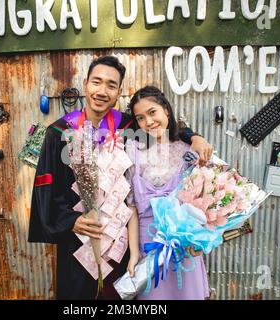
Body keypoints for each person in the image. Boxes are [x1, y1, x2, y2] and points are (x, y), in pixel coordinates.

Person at [28, 56, 213, 300]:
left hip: (121, 244)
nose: (102, 91)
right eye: (97, 82)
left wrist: (194, 137)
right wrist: (70, 221)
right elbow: (45, 190)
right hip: (80, 241)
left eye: (111, 85)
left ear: (118, 93)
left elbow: (165, 130)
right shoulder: (59, 133)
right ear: (86, 84)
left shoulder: (128, 126)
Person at [125, 86, 211, 300]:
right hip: (149, 245)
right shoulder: (133, 151)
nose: (149, 122)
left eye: (152, 112)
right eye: (140, 118)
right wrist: (134, 253)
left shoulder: (189, 150)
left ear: (167, 111)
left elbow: (201, 202)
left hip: (184, 243)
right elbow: (132, 208)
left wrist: (198, 241)